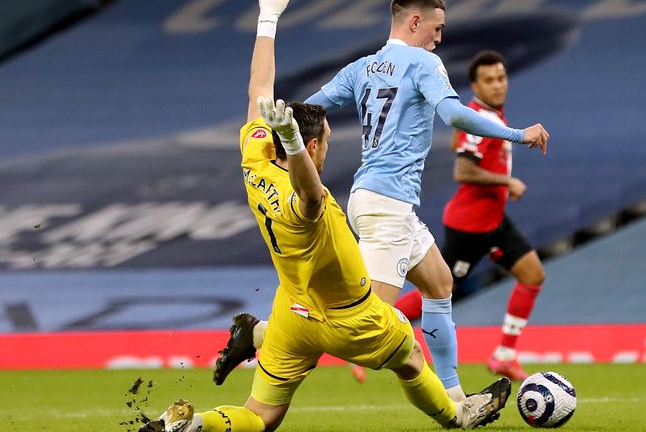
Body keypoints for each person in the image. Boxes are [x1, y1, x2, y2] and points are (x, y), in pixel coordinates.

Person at [140, 2, 511, 431]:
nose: (329, 145)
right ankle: (457, 414)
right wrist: (298, 145)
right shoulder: (306, 205)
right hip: (346, 317)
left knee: (262, 417)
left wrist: (268, 18)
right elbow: (310, 191)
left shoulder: (255, 160)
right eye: (326, 141)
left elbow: (258, 90)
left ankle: (190, 426)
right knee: (409, 355)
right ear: (311, 149)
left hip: (292, 314)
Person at [302, 0, 549, 399]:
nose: (440, 35)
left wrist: (271, 133)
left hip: (376, 199)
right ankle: (267, 335)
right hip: (387, 205)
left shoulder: (362, 66)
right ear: (415, 21)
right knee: (365, 323)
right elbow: (455, 116)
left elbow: (307, 109)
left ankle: (455, 397)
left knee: (439, 284)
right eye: (437, 26)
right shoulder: (423, 63)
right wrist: (519, 134)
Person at [393, 50, 546, 381]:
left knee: (532, 274)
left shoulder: (487, 117)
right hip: (470, 227)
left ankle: (505, 354)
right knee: (436, 293)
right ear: (475, 85)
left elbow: (460, 146)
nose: (497, 85)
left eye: (501, 78)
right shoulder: (480, 119)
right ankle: (377, 321)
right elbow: (463, 170)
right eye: (489, 80)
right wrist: (507, 181)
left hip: (494, 221)